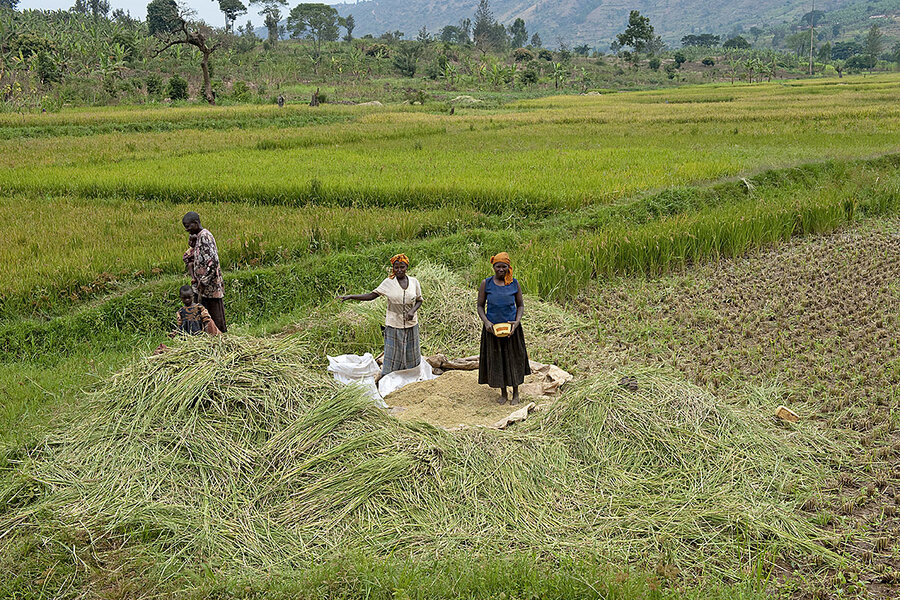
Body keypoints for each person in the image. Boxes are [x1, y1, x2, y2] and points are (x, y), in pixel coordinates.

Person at [339, 254, 424, 379]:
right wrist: (351, 296)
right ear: (393, 268)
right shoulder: (388, 283)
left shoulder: (414, 282)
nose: (399, 270)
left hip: (411, 324)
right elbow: (371, 295)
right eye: (396, 267)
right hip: (394, 324)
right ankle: (389, 377)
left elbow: (419, 300)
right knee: (393, 354)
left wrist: (412, 311)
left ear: (407, 267)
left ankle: (411, 375)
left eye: (402, 267)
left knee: (411, 353)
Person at [477, 252, 529, 405]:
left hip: (512, 330)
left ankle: (516, 393)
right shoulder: (486, 283)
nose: (501, 270)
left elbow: (520, 305)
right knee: (498, 360)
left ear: (508, 267)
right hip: (492, 331)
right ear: (493, 267)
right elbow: (480, 306)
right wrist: (486, 322)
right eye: (498, 267)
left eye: (504, 267)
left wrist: (517, 322)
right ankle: (503, 393)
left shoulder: (514, 283)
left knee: (513, 360)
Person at [182, 212, 227, 333]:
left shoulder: (205, 236)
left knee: (215, 318)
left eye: (188, 226)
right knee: (204, 318)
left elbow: (213, 262)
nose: (187, 230)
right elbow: (189, 257)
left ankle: (220, 339)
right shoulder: (197, 237)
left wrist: (204, 281)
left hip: (210, 286)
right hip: (201, 286)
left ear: (196, 223)